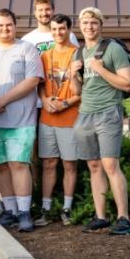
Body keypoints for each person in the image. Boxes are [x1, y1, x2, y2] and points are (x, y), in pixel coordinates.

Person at [0, 9, 43, 232]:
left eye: (9, 25)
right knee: (1, 165)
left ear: (15, 25)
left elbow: (32, 80)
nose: (5, 29)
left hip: (20, 119)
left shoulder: (27, 49)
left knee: (18, 164)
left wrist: (4, 99)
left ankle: (24, 212)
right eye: (0, 25)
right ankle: (10, 210)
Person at [73, 7, 130, 235]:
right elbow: (78, 90)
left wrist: (100, 69)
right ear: (80, 26)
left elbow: (126, 84)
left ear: (100, 25)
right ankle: (101, 216)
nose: (89, 27)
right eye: (85, 23)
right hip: (85, 113)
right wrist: (72, 74)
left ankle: (123, 218)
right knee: (94, 165)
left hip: (108, 111)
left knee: (110, 165)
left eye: (93, 23)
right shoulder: (78, 53)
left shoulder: (113, 49)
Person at [36, 14, 81, 227]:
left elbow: (83, 90)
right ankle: (45, 209)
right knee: (49, 163)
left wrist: (65, 103)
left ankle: (67, 208)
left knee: (70, 164)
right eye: (54, 29)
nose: (57, 33)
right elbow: (40, 84)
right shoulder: (45, 56)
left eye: (62, 29)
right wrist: (45, 100)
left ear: (69, 30)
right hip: (47, 118)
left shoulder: (77, 54)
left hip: (69, 118)